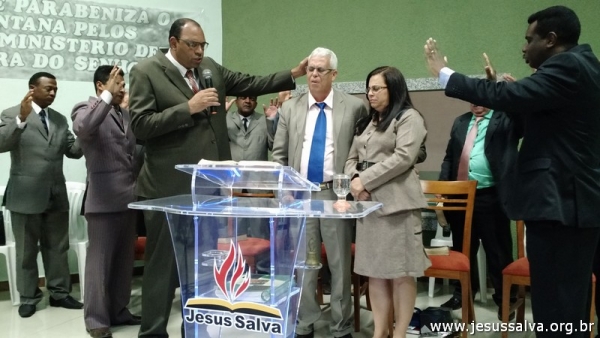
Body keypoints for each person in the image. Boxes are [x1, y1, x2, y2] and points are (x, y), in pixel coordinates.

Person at [424, 5, 600, 337]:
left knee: (557, 307)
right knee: (566, 305)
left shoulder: (568, 66)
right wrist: (500, 95)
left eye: (528, 39)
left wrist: (445, 74)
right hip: (569, 206)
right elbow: (523, 110)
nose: (523, 47)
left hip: (561, 206)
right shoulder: (579, 67)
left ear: (550, 40)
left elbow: (513, 94)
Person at [128, 17, 307, 337]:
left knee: (202, 266)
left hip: (209, 188)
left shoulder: (208, 68)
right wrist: (189, 107)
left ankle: (194, 329)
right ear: (173, 44)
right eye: (192, 45)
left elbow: (250, 82)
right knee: (163, 268)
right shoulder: (147, 71)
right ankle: (152, 332)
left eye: (202, 45)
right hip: (168, 186)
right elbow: (141, 126)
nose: (199, 51)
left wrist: (292, 73)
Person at [272, 47, 368, 338]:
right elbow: (278, 155)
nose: (313, 74)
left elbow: (361, 154)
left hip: (335, 195)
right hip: (299, 195)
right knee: (305, 263)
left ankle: (341, 326)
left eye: (320, 70)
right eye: (311, 69)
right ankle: (305, 322)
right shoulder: (291, 108)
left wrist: (353, 187)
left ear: (334, 74)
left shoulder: (353, 107)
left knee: (339, 264)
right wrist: (285, 189)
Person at [345, 66, 430, 338]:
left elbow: (403, 158)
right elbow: (350, 161)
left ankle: (401, 332)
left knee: (402, 274)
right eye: (368, 88)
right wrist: (354, 181)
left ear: (393, 89)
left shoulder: (408, 118)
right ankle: (380, 332)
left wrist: (364, 180)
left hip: (398, 208)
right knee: (375, 273)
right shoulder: (367, 122)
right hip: (368, 207)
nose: (369, 94)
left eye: (376, 88)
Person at [0, 72, 83, 318]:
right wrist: (21, 119)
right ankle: (29, 297)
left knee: (57, 248)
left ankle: (59, 293)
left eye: (55, 89)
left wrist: (89, 133)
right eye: (48, 88)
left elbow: (74, 151)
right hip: (25, 196)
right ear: (31, 89)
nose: (53, 93)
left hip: (55, 194)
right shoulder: (10, 113)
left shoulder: (58, 119)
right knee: (26, 251)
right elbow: (2, 143)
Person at [71, 65, 140, 338]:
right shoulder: (84, 108)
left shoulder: (125, 114)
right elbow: (84, 129)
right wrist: (108, 98)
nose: (122, 88)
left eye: (123, 84)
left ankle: (119, 311)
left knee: (124, 264)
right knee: (99, 265)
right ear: (101, 85)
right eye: (117, 83)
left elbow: (133, 154)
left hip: (129, 200)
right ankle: (97, 321)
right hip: (102, 202)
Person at [439, 99, 522, 320]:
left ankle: (505, 299)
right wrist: (443, 187)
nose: (477, 104)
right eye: (472, 100)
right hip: (461, 195)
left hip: (490, 195)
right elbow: (450, 157)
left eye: (482, 100)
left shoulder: (502, 118)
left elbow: (520, 126)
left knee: (497, 250)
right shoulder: (461, 122)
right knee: (462, 249)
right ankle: (462, 293)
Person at [226, 95, 277, 239]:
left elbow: (274, 146)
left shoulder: (264, 119)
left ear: (256, 102)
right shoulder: (226, 118)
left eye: (252, 98)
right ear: (236, 101)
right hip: (233, 185)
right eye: (243, 97)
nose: (247, 101)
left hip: (259, 186)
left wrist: (272, 121)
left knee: (260, 233)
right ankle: (237, 262)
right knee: (235, 233)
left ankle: (262, 262)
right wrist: (218, 118)